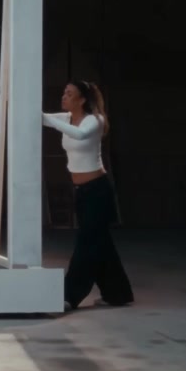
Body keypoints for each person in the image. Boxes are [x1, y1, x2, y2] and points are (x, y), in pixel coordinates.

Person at [42, 80, 134, 311]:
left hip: (98, 192)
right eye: (64, 92)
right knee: (100, 244)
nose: (64, 96)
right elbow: (41, 118)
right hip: (82, 192)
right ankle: (118, 294)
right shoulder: (66, 118)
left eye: (69, 93)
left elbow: (80, 135)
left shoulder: (95, 120)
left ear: (82, 99)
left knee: (86, 245)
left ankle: (69, 296)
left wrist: (52, 121)